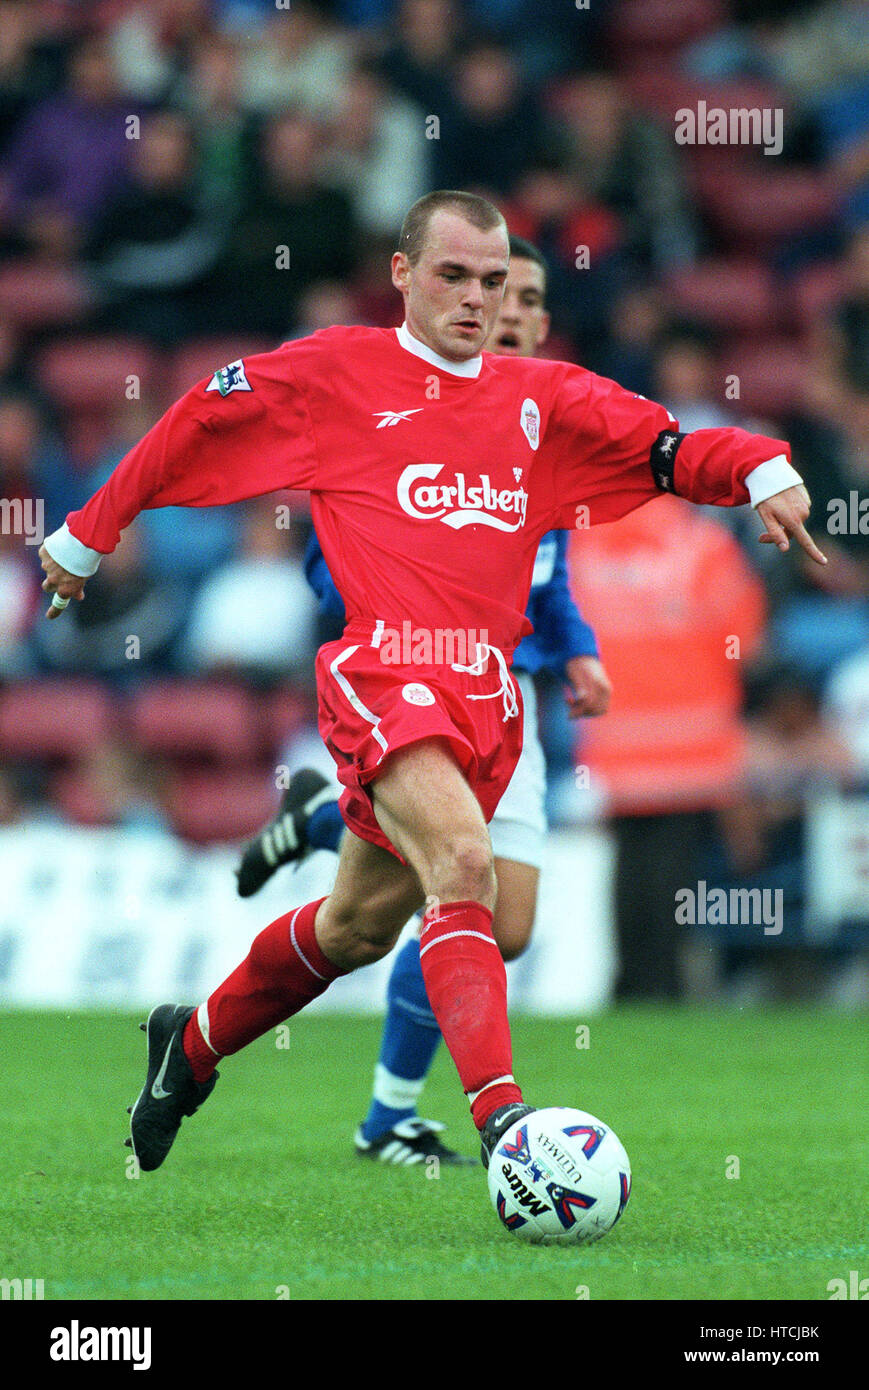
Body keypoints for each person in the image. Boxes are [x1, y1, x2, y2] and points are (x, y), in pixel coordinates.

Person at [39, 190, 825, 1182]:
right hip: (382, 670)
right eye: (451, 275)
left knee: (357, 928)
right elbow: (198, 421)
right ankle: (509, 1128)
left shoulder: (541, 398)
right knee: (463, 866)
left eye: (490, 280)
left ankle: (185, 1047)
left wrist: (760, 466)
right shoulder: (337, 371)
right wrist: (86, 531)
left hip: (489, 698)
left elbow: (668, 449)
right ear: (403, 274)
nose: (473, 297)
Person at [235, 236, 613, 1164]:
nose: (507, 308)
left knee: (503, 924)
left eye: (523, 294)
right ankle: (393, 1116)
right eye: (491, 287)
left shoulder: (544, 421)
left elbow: (544, 572)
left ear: (541, 318)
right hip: (414, 680)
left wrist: (578, 649)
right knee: (458, 885)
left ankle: (327, 823)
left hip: (508, 694)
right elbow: (339, 536)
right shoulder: (408, 404)